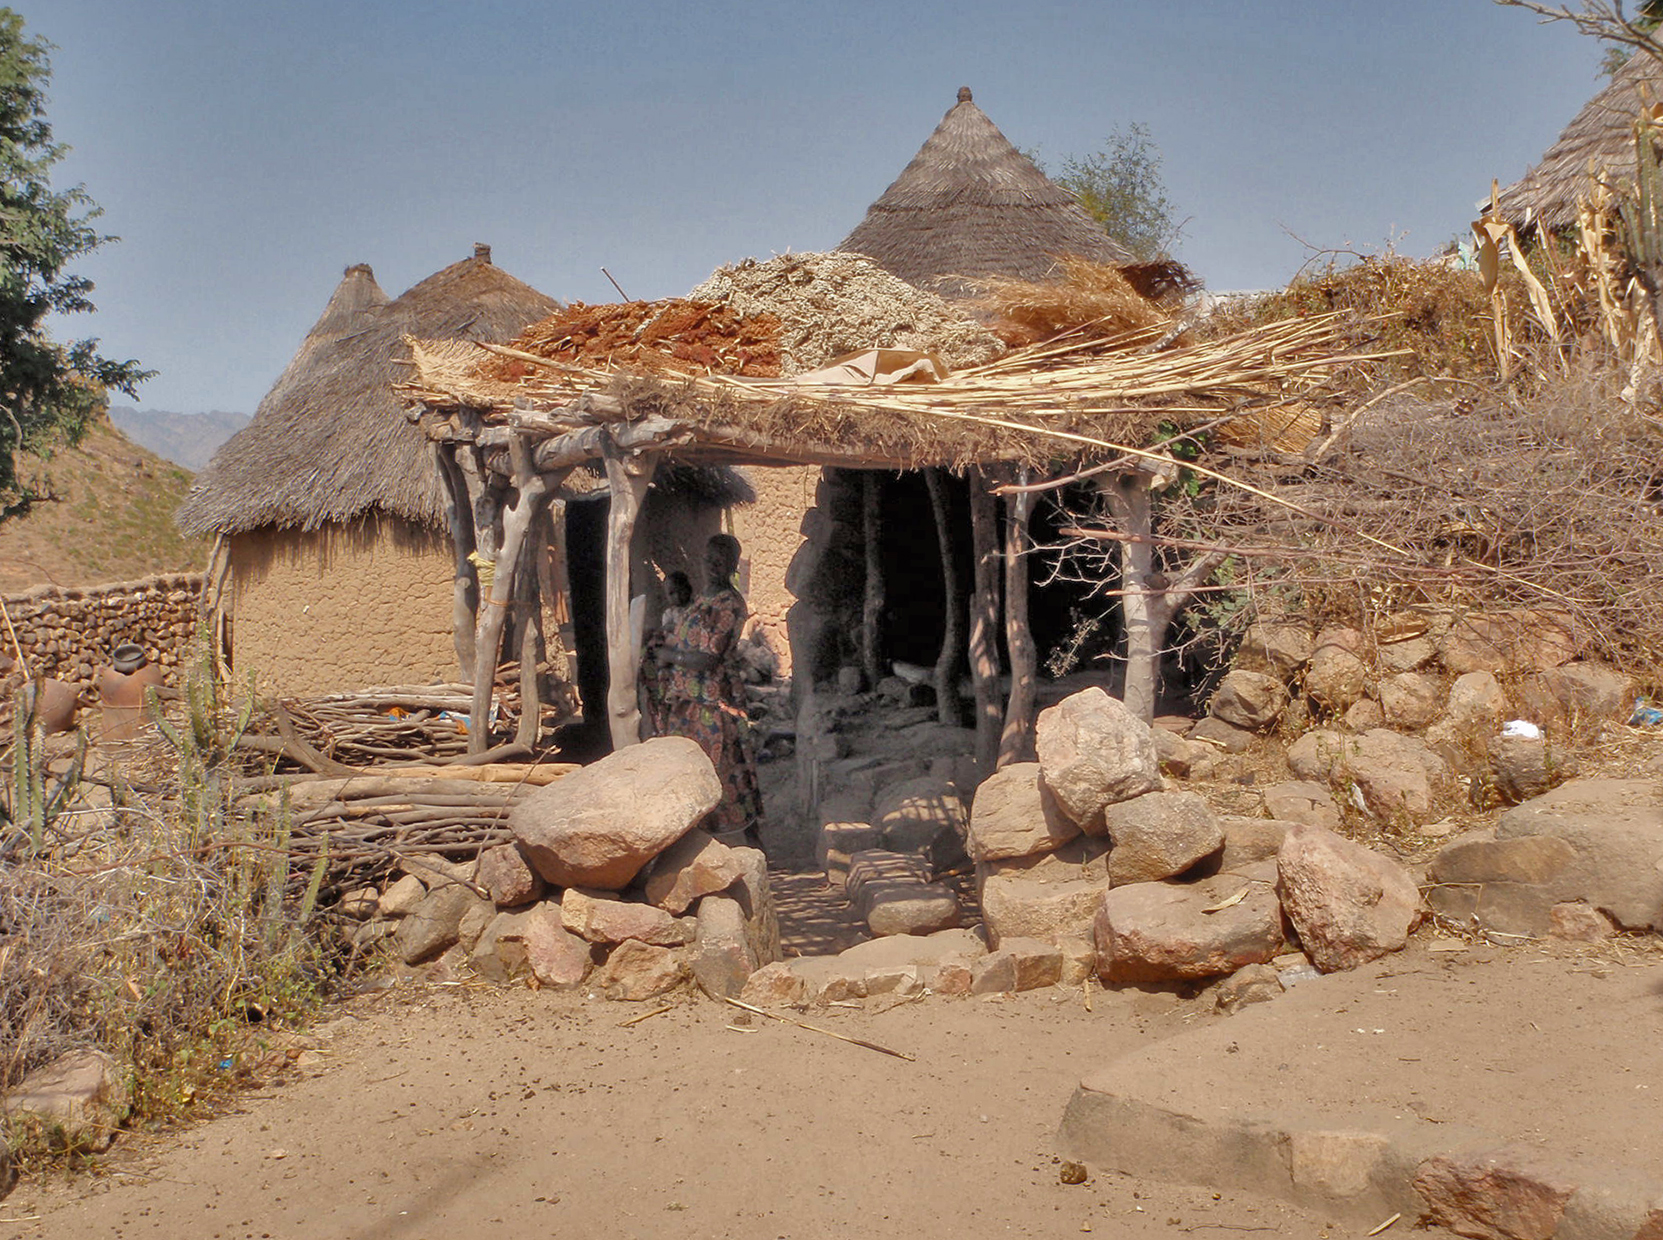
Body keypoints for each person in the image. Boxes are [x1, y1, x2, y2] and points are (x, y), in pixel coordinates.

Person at [655, 535, 764, 845]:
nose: (713, 565)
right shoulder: (703, 598)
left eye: (721, 560)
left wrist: (670, 656)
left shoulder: (729, 604)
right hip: (688, 702)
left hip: (714, 702)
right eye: (709, 559)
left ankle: (753, 847)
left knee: (725, 770)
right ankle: (698, 846)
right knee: (694, 771)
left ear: (733, 566)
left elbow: (708, 658)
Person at [640, 571, 693, 736]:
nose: (676, 596)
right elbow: (665, 632)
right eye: (671, 593)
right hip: (673, 650)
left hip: (686, 651)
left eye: (679, 591)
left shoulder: (694, 611)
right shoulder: (669, 614)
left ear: (688, 589)